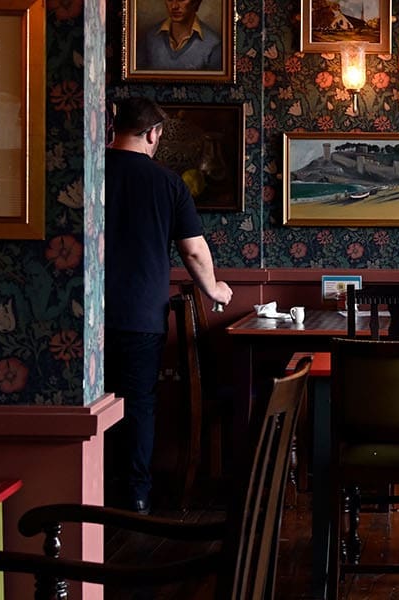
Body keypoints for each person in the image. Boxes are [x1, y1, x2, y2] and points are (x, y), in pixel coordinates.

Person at [106, 96, 233, 514]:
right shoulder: (168, 183)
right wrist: (214, 289)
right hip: (140, 314)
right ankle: (136, 494)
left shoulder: (89, 174)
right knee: (138, 402)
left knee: (91, 403)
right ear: (153, 133)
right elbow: (194, 253)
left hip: (84, 318)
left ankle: (93, 490)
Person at [139, 0, 221, 72]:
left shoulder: (213, 44)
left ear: (196, 3)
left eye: (181, 0)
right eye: (170, 0)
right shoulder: (150, 37)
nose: (174, 6)